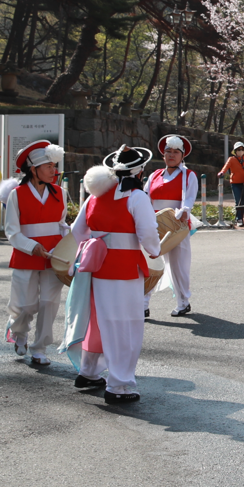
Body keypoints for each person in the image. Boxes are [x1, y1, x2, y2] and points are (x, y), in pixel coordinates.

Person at [66, 146, 162, 404]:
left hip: (95, 268)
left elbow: (77, 232)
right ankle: (119, 384)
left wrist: (91, 250)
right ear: (139, 171)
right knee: (125, 326)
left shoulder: (94, 196)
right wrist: (156, 250)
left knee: (98, 321)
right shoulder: (137, 196)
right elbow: (149, 236)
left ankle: (88, 372)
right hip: (124, 269)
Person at [0, 140, 70, 367]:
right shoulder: (16, 195)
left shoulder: (61, 192)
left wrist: (70, 243)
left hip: (53, 257)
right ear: (34, 169)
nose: (54, 171)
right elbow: (11, 231)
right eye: (49, 166)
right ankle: (19, 331)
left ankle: (40, 348)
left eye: (54, 166)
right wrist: (31, 246)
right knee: (25, 306)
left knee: (49, 303)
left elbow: (62, 225)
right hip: (26, 256)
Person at [146, 134, 199, 318]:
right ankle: (144, 303)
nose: (171, 155)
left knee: (178, 265)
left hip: (176, 225)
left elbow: (189, 200)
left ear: (182, 155)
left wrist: (184, 210)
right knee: (149, 263)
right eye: (168, 151)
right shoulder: (154, 175)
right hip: (153, 225)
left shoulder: (188, 175)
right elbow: (146, 198)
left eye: (176, 152)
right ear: (163, 154)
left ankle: (183, 301)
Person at [218, 142, 244, 227]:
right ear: (235, 151)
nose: (240, 151)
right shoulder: (231, 159)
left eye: (242, 149)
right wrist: (222, 172)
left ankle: (241, 218)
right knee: (238, 201)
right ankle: (239, 219)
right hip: (235, 183)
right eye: (238, 149)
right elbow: (225, 167)